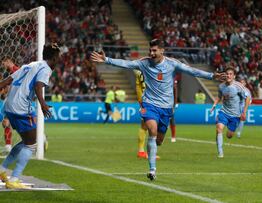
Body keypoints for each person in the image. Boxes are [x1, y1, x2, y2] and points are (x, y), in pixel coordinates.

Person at [91, 39, 225, 181]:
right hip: (149, 104)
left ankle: (155, 149)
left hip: (166, 108)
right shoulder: (144, 62)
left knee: (159, 140)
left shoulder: (172, 64)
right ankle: (152, 169)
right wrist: (106, 59)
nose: (151, 53)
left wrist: (211, 76)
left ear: (162, 51)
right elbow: (126, 64)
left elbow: (191, 71)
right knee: (152, 130)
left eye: (155, 50)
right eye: (150, 50)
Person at [0, 43, 60, 189]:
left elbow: (8, 80)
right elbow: (38, 85)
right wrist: (43, 104)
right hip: (21, 107)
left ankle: (2, 170)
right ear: (55, 57)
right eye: (59, 56)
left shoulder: (31, 64)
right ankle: (13, 179)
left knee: (27, 141)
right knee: (32, 144)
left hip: (9, 105)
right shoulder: (45, 69)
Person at [210, 67, 250, 158]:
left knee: (229, 135)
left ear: (234, 76)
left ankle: (230, 132)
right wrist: (214, 105)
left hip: (235, 115)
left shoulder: (238, 86)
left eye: (230, 74)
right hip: (224, 111)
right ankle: (220, 153)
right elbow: (219, 97)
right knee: (219, 128)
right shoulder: (221, 86)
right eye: (227, 73)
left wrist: (244, 112)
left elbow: (247, 98)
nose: (228, 75)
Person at [1, 58, 19, 154]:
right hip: (10, 101)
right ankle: (8, 146)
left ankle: (41, 138)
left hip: (19, 101)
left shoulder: (17, 70)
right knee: (5, 122)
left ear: (8, 61)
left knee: (24, 125)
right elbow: (6, 87)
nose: (3, 65)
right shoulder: (6, 73)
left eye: (4, 63)